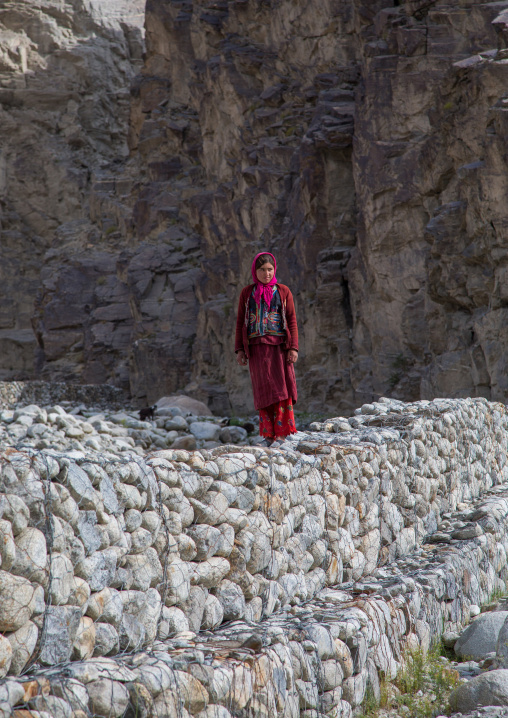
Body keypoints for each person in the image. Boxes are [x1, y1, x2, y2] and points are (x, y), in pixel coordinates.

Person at [235, 251, 298, 445]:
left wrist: (293, 347)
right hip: (256, 349)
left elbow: (292, 320)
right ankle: (268, 434)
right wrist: (240, 349)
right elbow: (240, 323)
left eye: (270, 269)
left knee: (280, 388)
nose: (267, 273)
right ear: (255, 271)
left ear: (274, 269)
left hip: (279, 347)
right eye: (262, 270)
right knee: (263, 391)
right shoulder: (247, 293)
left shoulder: (283, 291)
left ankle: (282, 432)